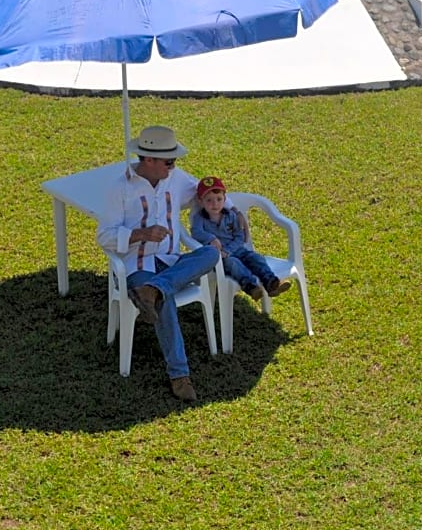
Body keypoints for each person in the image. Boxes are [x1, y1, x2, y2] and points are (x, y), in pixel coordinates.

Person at [96, 126, 219, 402]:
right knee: (164, 301)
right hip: (137, 266)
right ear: (148, 160)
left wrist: (228, 213)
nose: (174, 165)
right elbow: (103, 236)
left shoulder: (174, 179)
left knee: (210, 254)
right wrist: (141, 234)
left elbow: (205, 191)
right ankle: (179, 375)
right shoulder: (120, 188)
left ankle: (152, 290)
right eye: (169, 161)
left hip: (171, 261)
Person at [190, 176, 291, 301]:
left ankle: (272, 282)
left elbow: (240, 237)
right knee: (234, 264)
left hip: (237, 250)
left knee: (256, 258)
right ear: (201, 201)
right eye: (209, 200)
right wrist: (211, 238)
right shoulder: (200, 218)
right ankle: (251, 287)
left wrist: (228, 250)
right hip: (219, 258)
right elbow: (196, 232)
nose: (214, 204)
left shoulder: (231, 215)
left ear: (224, 199)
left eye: (219, 199)